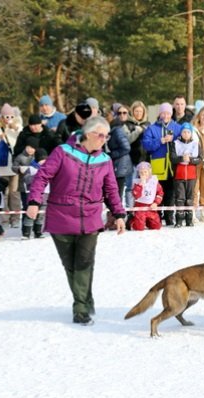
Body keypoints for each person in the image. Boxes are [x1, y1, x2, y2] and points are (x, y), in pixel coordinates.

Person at [27, 116, 126, 326]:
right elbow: (42, 176)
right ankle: (86, 300)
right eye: (101, 135)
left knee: (84, 263)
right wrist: (34, 200)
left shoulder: (105, 160)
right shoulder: (63, 152)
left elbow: (111, 190)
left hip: (90, 219)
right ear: (88, 134)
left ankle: (80, 309)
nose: (104, 139)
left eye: (106, 136)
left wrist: (119, 214)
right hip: (60, 217)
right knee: (71, 266)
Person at [142, 102, 182, 226]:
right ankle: (157, 216)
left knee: (171, 192)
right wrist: (161, 141)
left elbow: (184, 139)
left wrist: (175, 138)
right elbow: (146, 144)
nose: (166, 116)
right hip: (158, 165)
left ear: (171, 114)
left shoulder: (177, 127)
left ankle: (170, 217)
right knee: (158, 191)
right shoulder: (152, 128)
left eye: (168, 113)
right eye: (163, 113)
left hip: (172, 166)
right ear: (160, 114)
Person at [169, 122, 201, 227]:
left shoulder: (196, 144)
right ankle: (179, 220)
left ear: (191, 133)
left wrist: (191, 159)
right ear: (181, 133)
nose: (186, 134)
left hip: (191, 175)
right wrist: (181, 158)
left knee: (189, 198)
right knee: (180, 198)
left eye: (188, 132)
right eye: (184, 132)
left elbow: (200, 159)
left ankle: (189, 219)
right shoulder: (176, 143)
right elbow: (172, 158)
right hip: (179, 175)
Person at [129, 161, 164, 231]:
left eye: (145, 172)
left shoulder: (154, 182)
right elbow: (136, 195)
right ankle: (131, 221)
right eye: (141, 173)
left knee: (156, 226)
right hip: (140, 207)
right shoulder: (136, 182)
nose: (144, 174)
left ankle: (148, 221)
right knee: (139, 227)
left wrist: (156, 203)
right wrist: (140, 185)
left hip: (150, 206)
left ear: (149, 172)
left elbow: (160, 193)